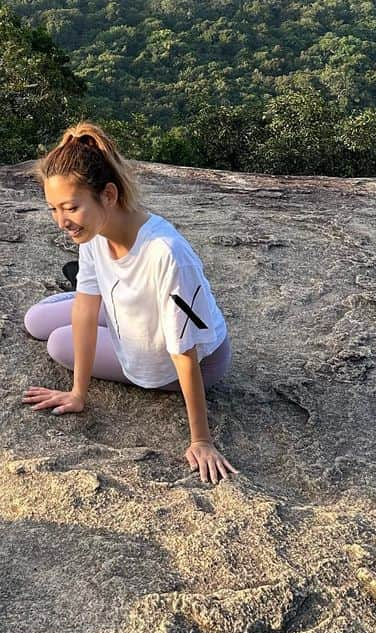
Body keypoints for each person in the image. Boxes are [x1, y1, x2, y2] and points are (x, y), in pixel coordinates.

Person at [22, 121, 237, 484]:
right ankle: (118, 304)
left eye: (70, 207)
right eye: (53, 209)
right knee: (36, 320)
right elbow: (86, 308)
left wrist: (201, 439)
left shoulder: (166, 254)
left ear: (108, 195)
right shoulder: (93, 234)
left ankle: (120, 307)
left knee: (60, 342)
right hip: (138, 314)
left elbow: (184, 350)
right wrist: (78, 393)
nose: (62, 221)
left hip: (193, 360)